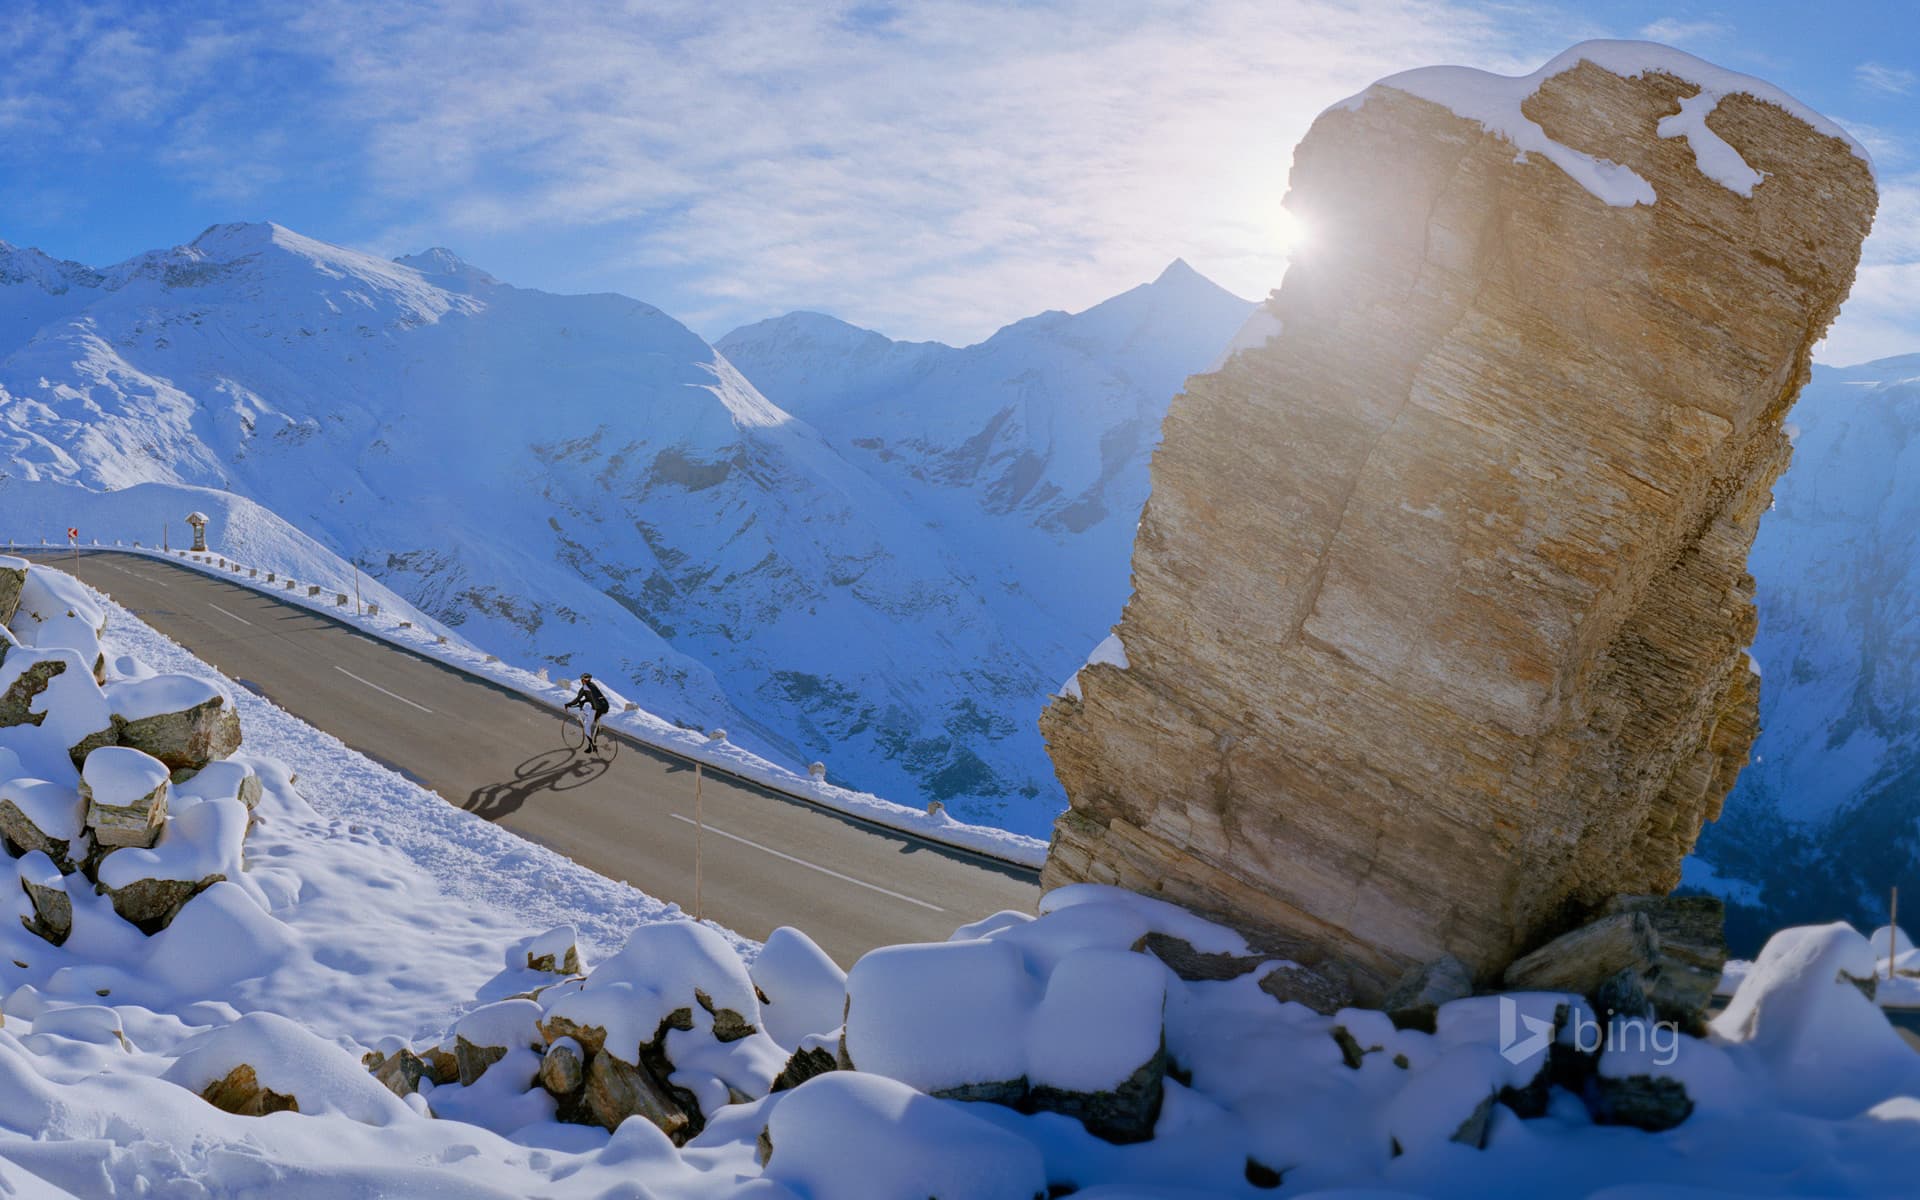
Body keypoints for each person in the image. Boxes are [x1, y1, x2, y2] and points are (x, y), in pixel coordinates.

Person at [565, 672, 611, 753]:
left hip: (597, 708)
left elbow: (576, 700)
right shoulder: (593, 685)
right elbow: (592, 697)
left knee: (587, 725)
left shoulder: (584, 688)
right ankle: (597, 732)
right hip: (605, 706)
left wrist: (568, 704)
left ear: (582, 680)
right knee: (594, 719)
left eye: (582, 680)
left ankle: (592, 746)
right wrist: (583, 701)